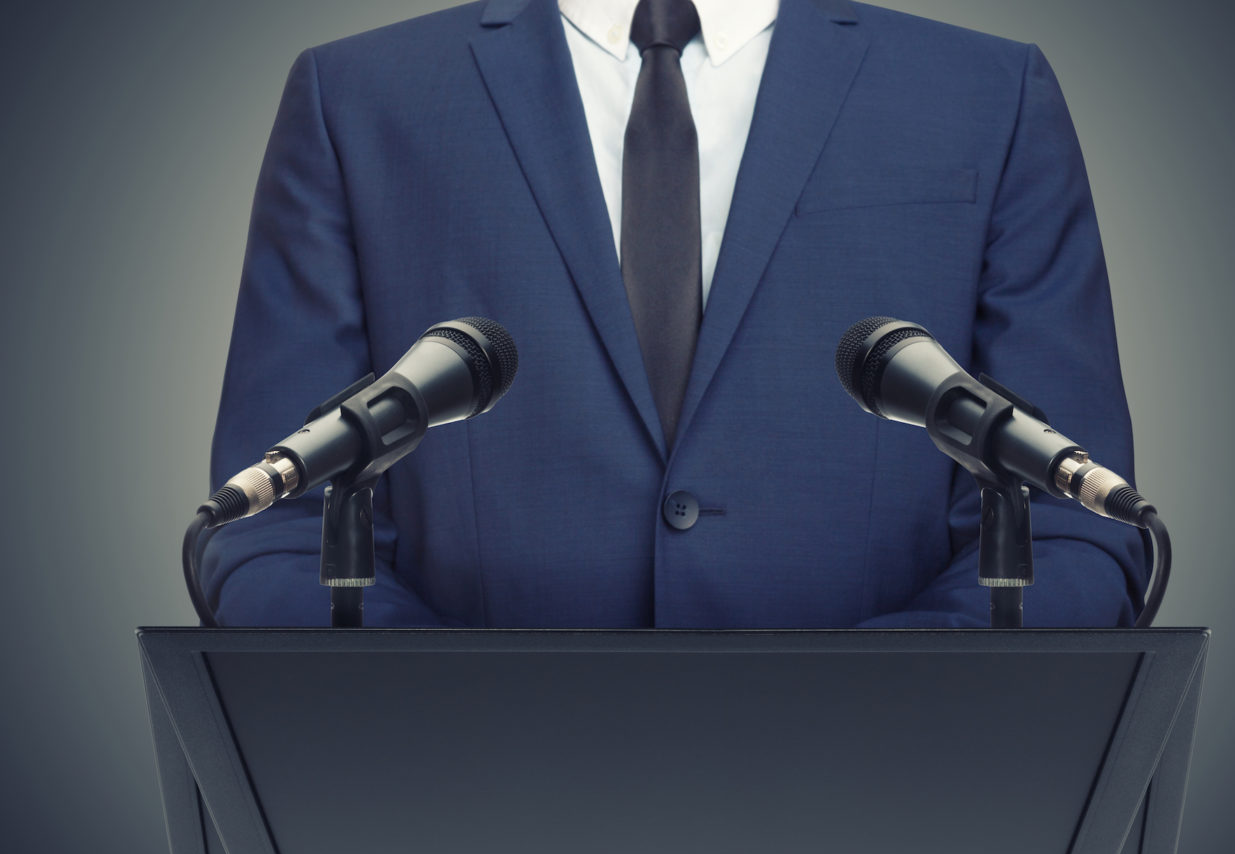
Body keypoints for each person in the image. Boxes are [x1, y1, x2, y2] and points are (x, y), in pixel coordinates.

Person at [204, 0, 1145, 628]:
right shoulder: (360, 99)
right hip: (471, 810)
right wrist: (459, 718)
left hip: (877, 808)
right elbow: (273, 525)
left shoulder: (986, 96)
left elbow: (1076, 525)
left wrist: (864, 716)